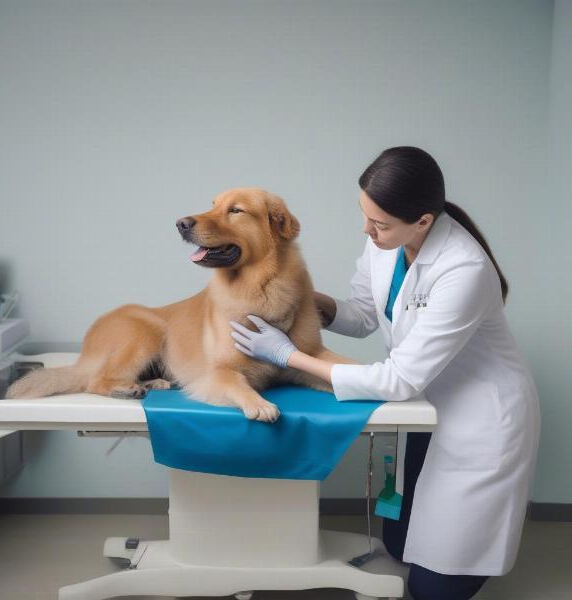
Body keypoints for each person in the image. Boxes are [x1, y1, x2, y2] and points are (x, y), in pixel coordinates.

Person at [229, 146, 541, 600]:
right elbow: (363, 314)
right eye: (365, 215)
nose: (367, 230)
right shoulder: (386, 239)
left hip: (480, 419)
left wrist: (285, 354)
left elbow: (399, 380)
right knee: (397, 545)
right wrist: (304, 297)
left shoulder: (464, 268)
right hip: (428, 408)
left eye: (379, 223)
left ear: (423, 221)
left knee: (433, 591)